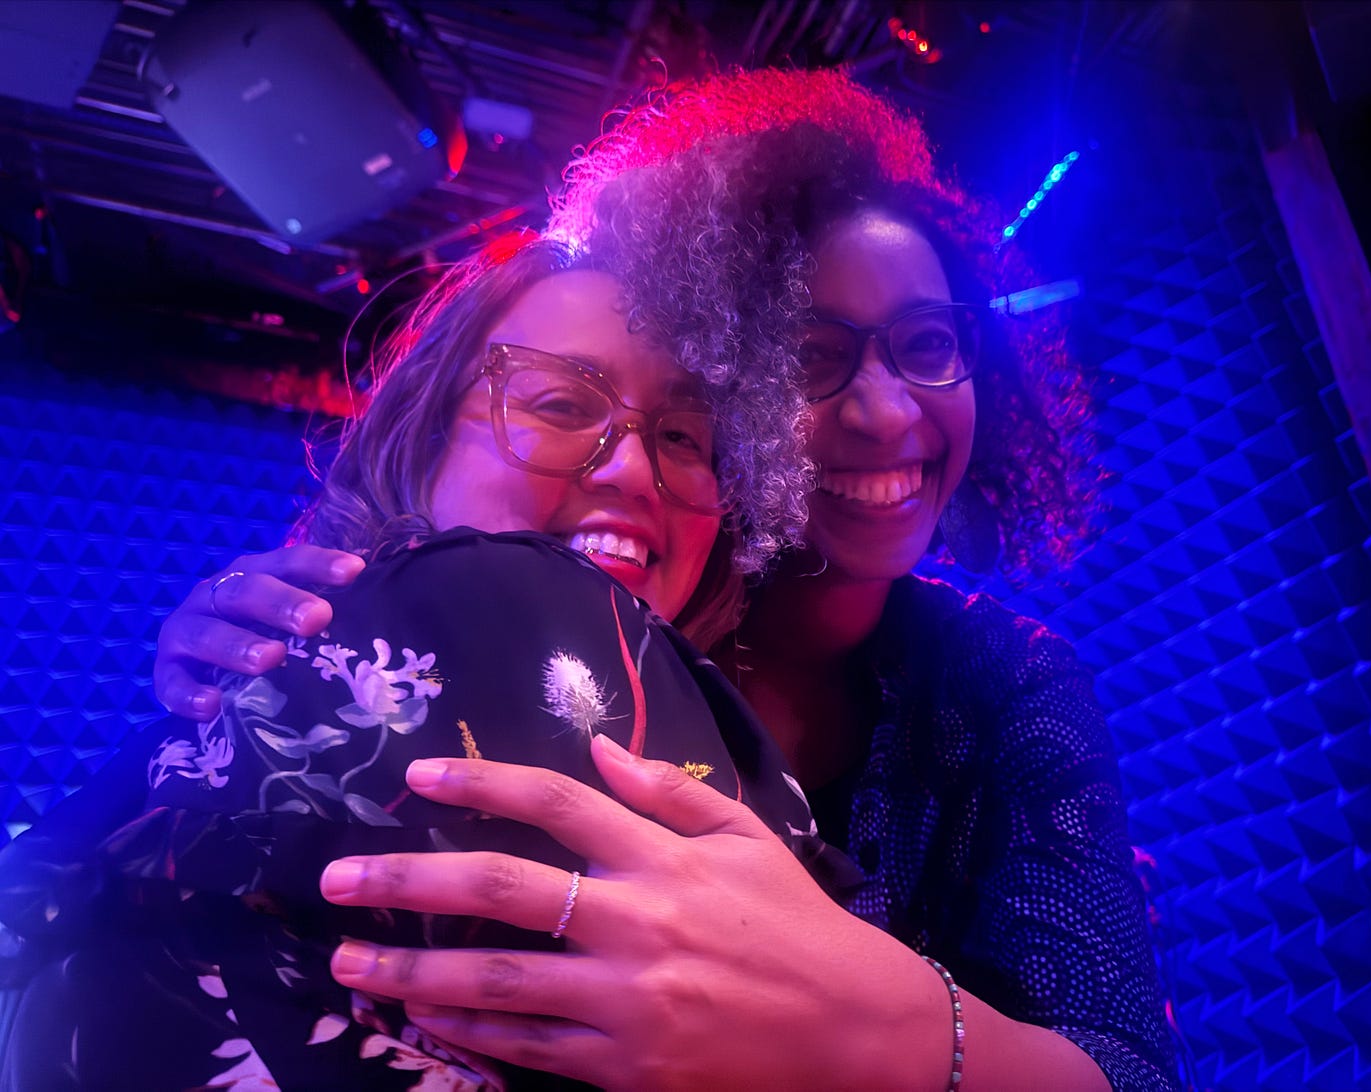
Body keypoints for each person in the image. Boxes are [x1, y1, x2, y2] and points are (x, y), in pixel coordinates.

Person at [146, 70, 1178, 1090]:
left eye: (925, 345)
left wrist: (890, 1028)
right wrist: (253, 663)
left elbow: (1121, 1072)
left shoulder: (1007, 687)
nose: (885, 413)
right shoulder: (599, 607)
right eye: (811, 360)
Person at [0, 237, 844, 1090]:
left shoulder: (753, 768)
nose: (632, 468)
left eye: (683, 436)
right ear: (424, 434)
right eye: (558, 404)